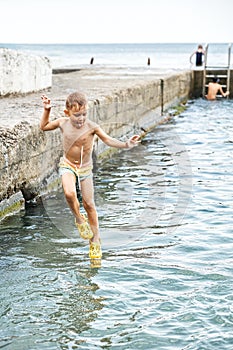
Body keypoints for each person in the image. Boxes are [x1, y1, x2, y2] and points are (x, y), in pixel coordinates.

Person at [40, 91, 140, 261]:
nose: (81, 118)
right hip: (68, 165)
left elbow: (108, 140)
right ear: (67, 113)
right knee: (70, 193)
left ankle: (95, 241)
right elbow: (44, 126)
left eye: (84, 114)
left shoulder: (92, 127)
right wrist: (47, 110)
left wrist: (126, 144)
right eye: (77, 115)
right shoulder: (63, 123)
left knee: (89, 204)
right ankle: (79, 219)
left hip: (85, 169)